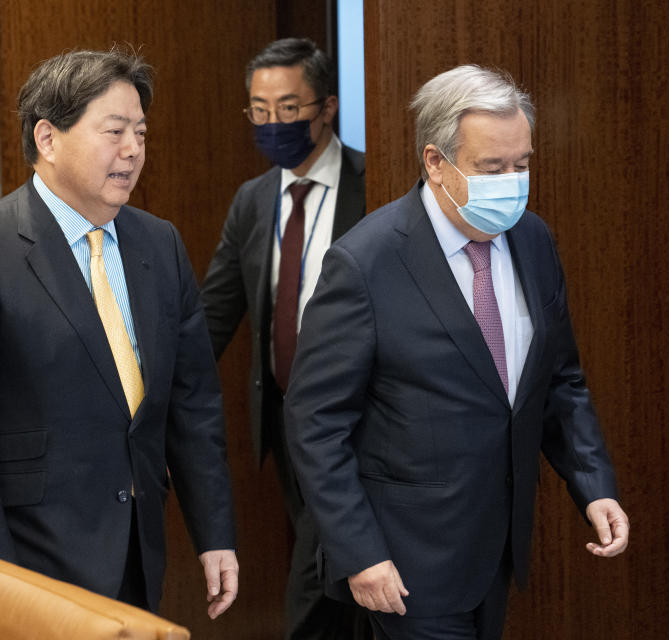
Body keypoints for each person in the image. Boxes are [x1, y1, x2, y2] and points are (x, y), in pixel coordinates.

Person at [284, 65, 630, 640]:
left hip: (497, 548)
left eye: (521, 165)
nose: (512, 183)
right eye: (492, 168)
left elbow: (559, 381)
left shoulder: (534, 240)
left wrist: (593, 486)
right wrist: (359, 553)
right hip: (404, 561)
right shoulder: (365, 263)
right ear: (436, 162)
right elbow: (315, 423)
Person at [0, 47, 238, 619]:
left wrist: (215, 533)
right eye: (113, 131)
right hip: (31, 556)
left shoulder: (159, 244)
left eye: (140, 131)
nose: (133, 149)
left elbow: (194, 404)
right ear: (48, 138)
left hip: (137, 552)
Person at [201, 38, 368, 639]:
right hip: (283, 418)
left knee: (321, 573)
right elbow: (214, 313)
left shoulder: (374, 188)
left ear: (327, 107)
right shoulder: (253, 201)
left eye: (289, 109)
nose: (274, 124)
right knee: (335, 570)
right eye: (260, 110)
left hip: (360, 421)